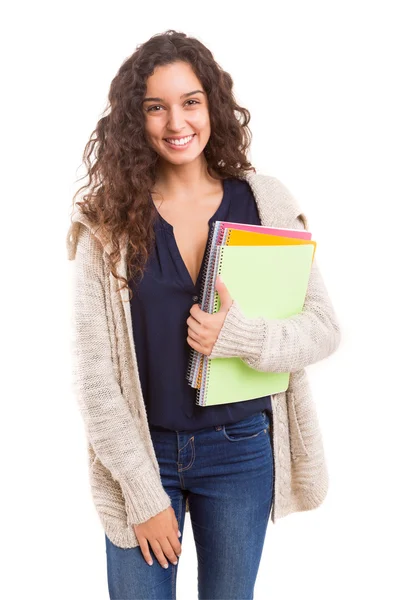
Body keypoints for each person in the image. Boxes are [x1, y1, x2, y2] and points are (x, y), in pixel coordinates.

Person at [66, 29, 341, 600]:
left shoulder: (264, 200)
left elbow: (322, 328)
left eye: (190, 102)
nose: (176, 123)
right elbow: (95, 380)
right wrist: (144, 494)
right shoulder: (107, 221)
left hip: (241, 449)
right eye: (155, 108)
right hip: (145, 455)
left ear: (212, 105)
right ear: (132, 120)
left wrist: (240, 335)